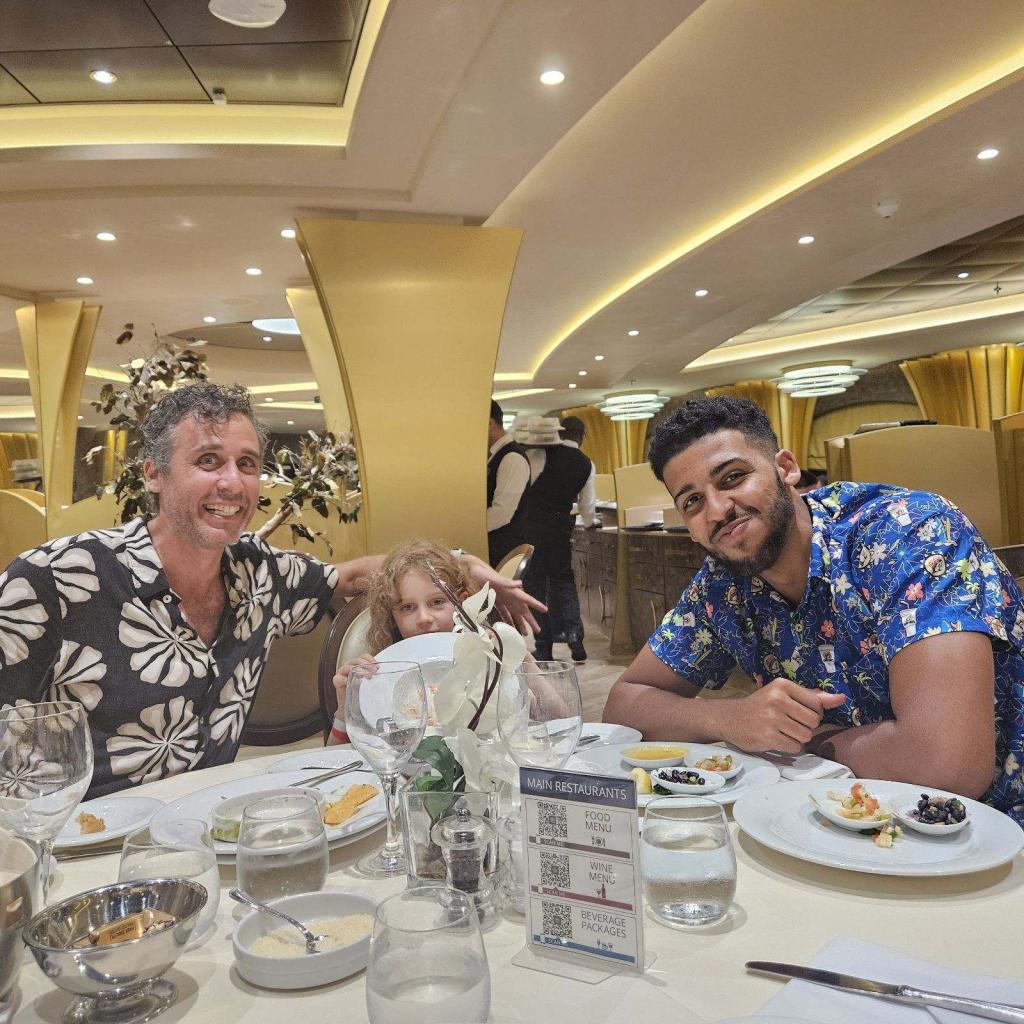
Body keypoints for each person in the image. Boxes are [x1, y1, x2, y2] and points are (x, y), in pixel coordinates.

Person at [0, 383, 542, 798]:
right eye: (208, 461)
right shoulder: (57, 579)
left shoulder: (259, 574)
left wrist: (467, 566)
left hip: (204, 834)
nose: (233, 484)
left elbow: (354, 576)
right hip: (74, 849)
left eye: (247, 464)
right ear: (153, 475)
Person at [603, 395, 1024, 825]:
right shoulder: (723, 584)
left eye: (732, 477)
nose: (716, 510)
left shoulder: (908, 535)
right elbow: (624, 706)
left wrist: (804, 740)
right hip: (853, 824)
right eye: (692, 501)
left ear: (785, 468)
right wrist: (733, 718)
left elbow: (948, 765)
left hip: (997, 828)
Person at [326, 539, 472, 744]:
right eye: (407, 607)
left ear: (462, 602)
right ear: (391, 615)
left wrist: (518, 662)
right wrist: (346, 708)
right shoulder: (379, 679)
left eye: (437, 602)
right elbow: (333, 760)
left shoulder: (487, 659)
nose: (423, 618)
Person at [522, 416, 599, 663]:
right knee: (563, 581)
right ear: (582, 436)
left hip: (533, 527)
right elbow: (588, 506)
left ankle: (544, 646)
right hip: (560, 528)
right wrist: (589, 524)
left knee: (535, 585)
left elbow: (526, 489)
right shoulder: (586, 463)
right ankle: (576, 640)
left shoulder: (539, 455)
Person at [486, 399, 531, 567]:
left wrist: (470, 531)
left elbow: (502, 513)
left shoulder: (512, 458)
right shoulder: (495, 455)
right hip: (496, 546)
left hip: (503, 548)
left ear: (490, 423)